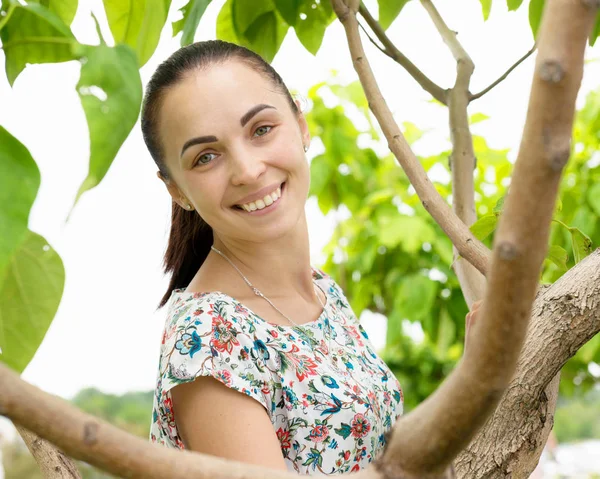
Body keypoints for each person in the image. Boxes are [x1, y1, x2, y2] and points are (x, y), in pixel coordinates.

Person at [143, 40, 404, 475]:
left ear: (301, 126)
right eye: (206, 157)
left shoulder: (325, 295)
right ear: (176, 190)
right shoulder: (209, 337)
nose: (247, 170)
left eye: (261, 129)